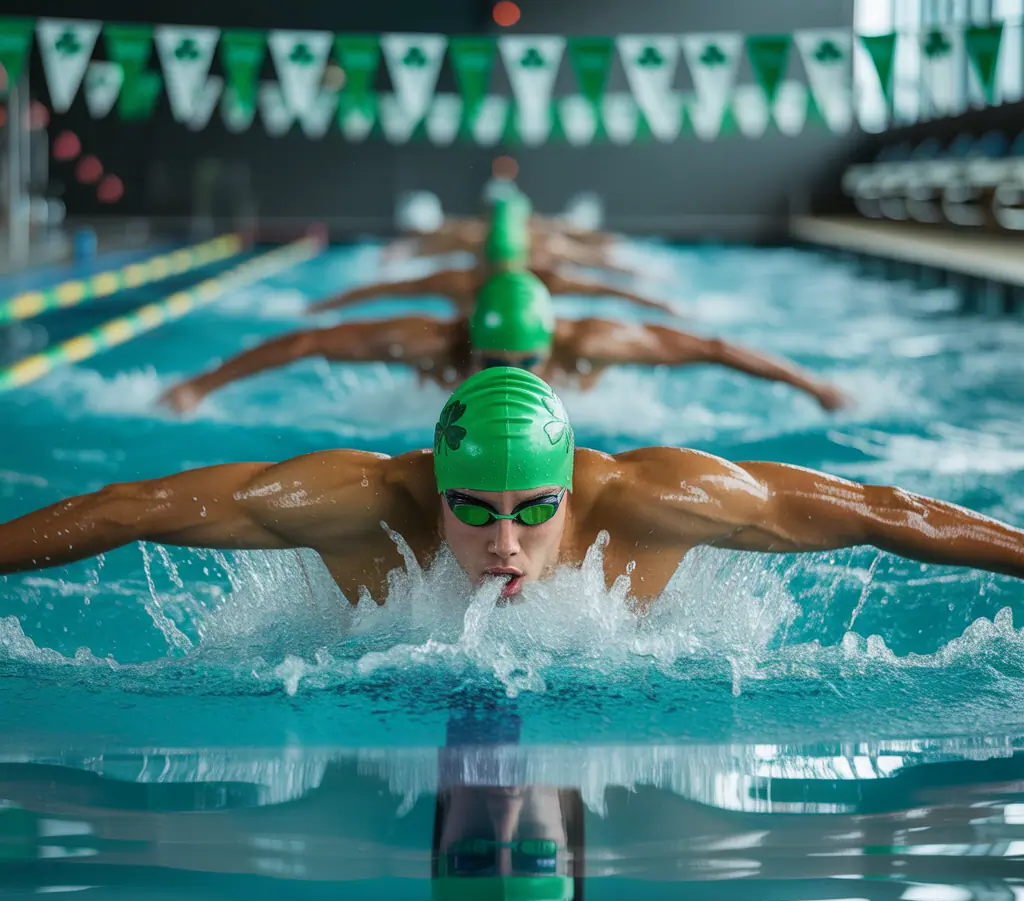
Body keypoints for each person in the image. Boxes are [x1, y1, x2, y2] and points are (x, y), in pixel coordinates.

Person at [4, 367, 1024, 608]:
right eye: (475, 512)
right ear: (430, 490)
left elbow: (888, 511)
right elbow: (123, 507)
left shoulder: (657, 498)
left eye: (534, 511)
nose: (505, 545)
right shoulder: (354, 497)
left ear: (572, 496)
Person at [159, 270, 847, 413]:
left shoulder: (592, 341)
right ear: (468, 344)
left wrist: (815, 387)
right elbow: (306, 344)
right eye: (494, 363)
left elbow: (715, 348)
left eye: (528, 362)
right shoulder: (429, 340)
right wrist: (199, 386)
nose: (516, 374)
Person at [308, 195, 676, 318]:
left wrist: (659, 298)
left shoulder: (547, 250)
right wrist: (322, 307)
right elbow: (386, 290)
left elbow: (604, 282)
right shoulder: (464, 255)